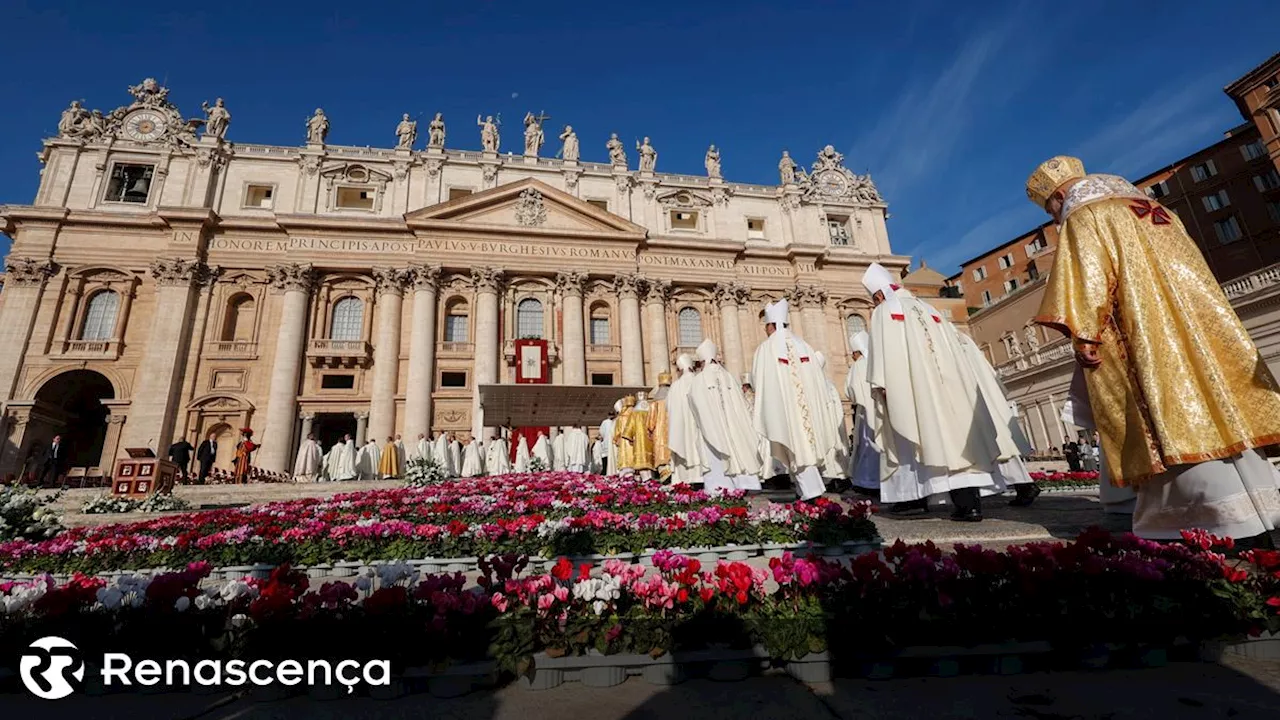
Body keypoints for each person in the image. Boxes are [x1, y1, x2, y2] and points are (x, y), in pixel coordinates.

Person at [1030, 155, 1280, 541]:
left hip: (1143, 330)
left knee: (1171, 410)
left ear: (1060, 194)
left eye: (1052, 209)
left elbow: (1089, 278)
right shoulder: (1154, 209)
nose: (1056, 219)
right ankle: (1261, 505)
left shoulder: (1085, 215)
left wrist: (1085, 333)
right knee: (1218, 403)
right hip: (1198, 324)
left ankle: (1206, 517)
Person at [862, 262, 999, 521]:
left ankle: (913, 498)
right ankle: (968, 503)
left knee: (913, 437)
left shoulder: (884, 311)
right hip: (950, 386)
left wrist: (882, 385)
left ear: (878, 295)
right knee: (957, 439)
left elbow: (884, 353)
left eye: (873, 300)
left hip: (913, 388)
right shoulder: (930, 309)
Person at [749, 298, 833, 501]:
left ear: (770, 325)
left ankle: (811, 493)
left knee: (796, 447)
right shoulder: (803, 345)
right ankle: (807, 490)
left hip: (784, 409)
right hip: (809, 409)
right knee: (805, 445)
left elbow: (756, 379)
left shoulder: (766, 347)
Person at [953, 328, 1041, 507]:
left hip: (974, 398)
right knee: (1001, 446)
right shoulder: (964, 339)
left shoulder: (950, 339)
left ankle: (1024, 485)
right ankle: (1024, 484)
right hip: (987, 395)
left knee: (997, 447)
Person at [688, 339, 763, 493]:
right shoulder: (729, 376)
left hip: (712, 427)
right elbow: (741, 405)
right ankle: (746, 483)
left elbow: (694, 401)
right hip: (735, 427)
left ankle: (719, 488)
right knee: (739, 447)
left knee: (715, 455)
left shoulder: (699, 379)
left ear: (702, 361)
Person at [844, 331, 881, 495]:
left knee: (867, 446)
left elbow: (850, 390)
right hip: (879, 409)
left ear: (857, 352)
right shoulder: (876, 362)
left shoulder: (859, 365)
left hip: (865, 413)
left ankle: (868, 482)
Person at [812, 351, 850, 486]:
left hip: (826, 425)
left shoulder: (818, 386)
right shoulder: (830, 385)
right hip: (831, 425)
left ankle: (831, 477)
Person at [667, 354, 704, 485]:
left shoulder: (676, 386)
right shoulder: (700, 380)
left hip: (681, 427)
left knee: (685, 444)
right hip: (699, 426)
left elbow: (669, 409)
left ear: (680, 369)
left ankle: (684, 479)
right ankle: (700, 477)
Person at [648, 372, 673, 478]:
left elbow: (651, 419)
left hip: (660, 431)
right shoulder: (673, 398)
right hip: (673, 429)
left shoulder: (656, 401)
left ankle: (664, 471)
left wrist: (649, 428)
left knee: (661, 450)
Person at [599, 402, 620, 476]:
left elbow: (602, 433)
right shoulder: (615, 421)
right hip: (612, 444)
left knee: (607, 462)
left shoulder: (605, 422)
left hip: (608, 445)